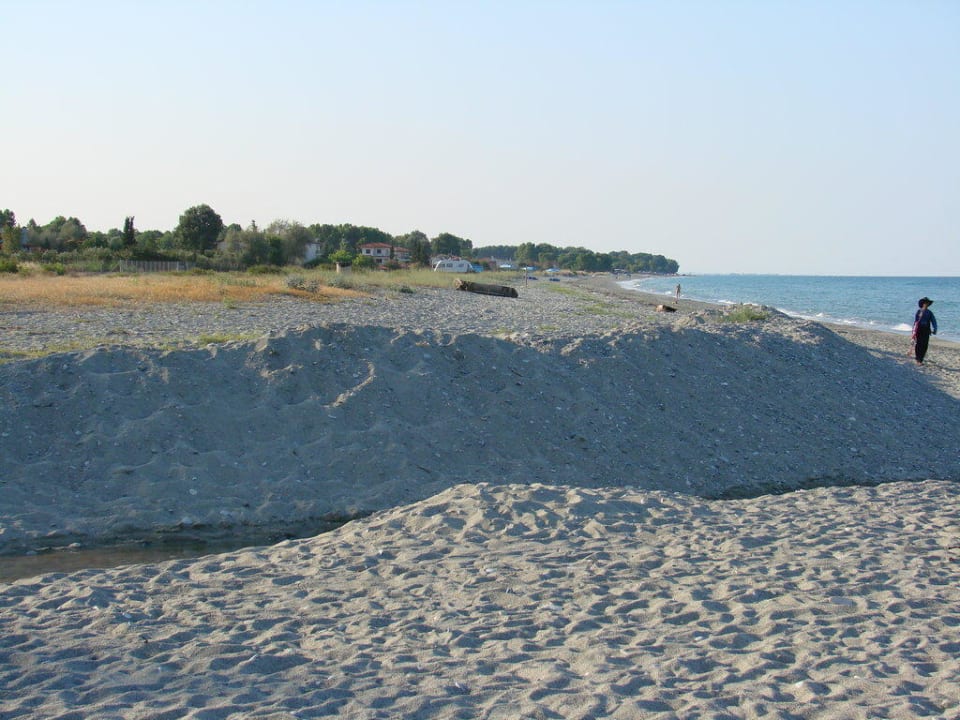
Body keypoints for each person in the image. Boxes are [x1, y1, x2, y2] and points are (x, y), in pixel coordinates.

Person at [912, 297, 937, 364]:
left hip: (926, 330)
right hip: (919, 330)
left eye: (928, 303)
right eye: (926, 303)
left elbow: (934, 321)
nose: (927, 304)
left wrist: (935, 329)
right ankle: (918, 359)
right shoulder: (919, 311)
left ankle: (921, 359)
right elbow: (915, 322)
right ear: (923, 304)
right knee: (919, 344)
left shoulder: (929, 313)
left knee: (925, 345)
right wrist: (913, 332)